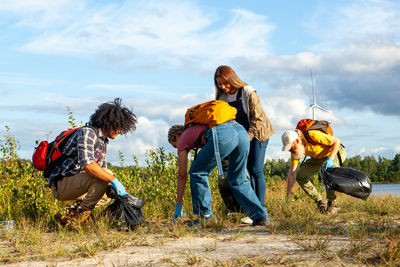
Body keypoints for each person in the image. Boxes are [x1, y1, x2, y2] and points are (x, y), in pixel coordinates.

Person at [49, 98, 137, 226]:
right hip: (62, 184)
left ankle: (68, 216)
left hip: (78, 182)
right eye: (119, 127)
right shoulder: (87, 133)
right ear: (110, 123)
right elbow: (88, 166)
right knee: (106, 177)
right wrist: (114, 180)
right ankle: (78, 219)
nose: (120, 131)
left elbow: (100, 171)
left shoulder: (103, 141)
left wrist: (117, 188)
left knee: (109, 192)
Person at [168, 121, 270, 226]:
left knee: (197, 172)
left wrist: (179, 205)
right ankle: (261, 216)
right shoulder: (199, 128)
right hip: (241, 132)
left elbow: (182, 175)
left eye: (175, 146)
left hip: (223, 134)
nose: (178, 148)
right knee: (238, 179)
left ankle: (205, 217)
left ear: (177, 137)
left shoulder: (183, 138)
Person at [214, 65, 275, 223]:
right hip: (239, 137)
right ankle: (250, 210)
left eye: (225, 83)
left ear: (232, 79)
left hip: (258, 133)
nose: (223, 87)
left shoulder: (248, 92)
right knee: (242, 172)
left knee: (255, 169)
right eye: (219, 84)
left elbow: (258, 119)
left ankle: (260, 210)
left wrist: (245, 138)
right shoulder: (221, 97)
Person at [281, 128, 346, 214]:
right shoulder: (295, 151)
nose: (290, 150)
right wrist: (287, 195)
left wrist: (330, 159)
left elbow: (336, 142)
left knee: (327, 172)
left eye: (291, 147)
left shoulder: (313, 135)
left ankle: (332, 204)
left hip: (335, 152)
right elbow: (292, 173)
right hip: (320, 158)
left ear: (297, 140)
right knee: (300, 175)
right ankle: (320, 201)